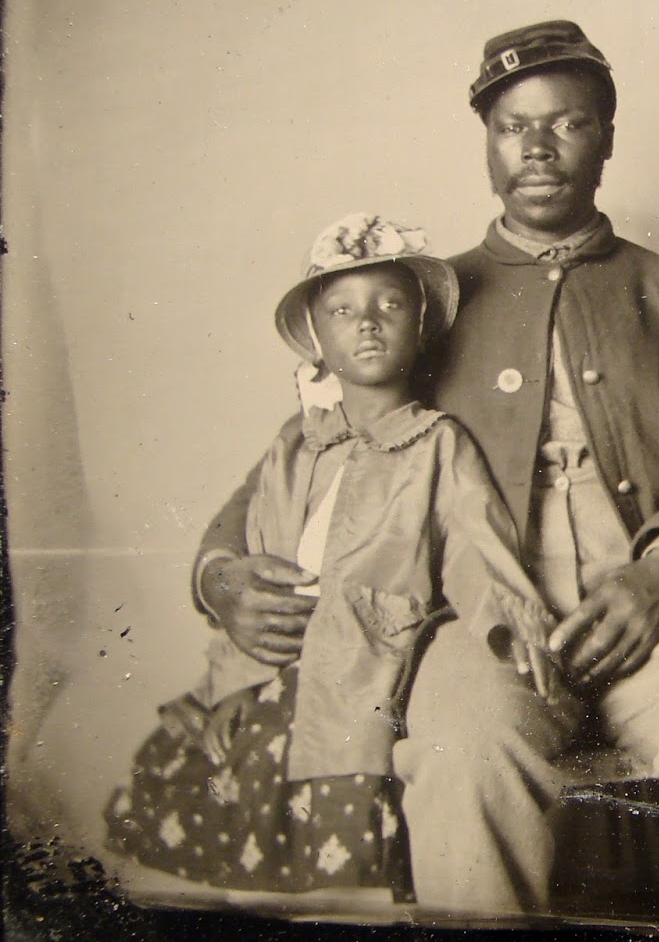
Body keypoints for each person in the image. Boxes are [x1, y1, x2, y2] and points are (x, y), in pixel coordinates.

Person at [188, 21, 659, 927]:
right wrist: (222, 573)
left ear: (608, 139)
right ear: (487, 141)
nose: (538, 150)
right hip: (477, 621)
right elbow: (317, 444)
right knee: (463, 749)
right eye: (513, 126)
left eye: (568, 124)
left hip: (656, 619)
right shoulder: (426, 300)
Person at [105, 215, 570, 896]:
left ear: (421, 326)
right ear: (317, 340)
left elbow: (476, 547)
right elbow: (258, 561)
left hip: (364, 672)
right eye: (344, 312)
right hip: (278, 673)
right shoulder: (296, 445)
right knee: (234, 817)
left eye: (390, 306)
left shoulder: (437, 444)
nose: (369, 323)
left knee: (346, 862)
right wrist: (234, 680)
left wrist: (513, 624)